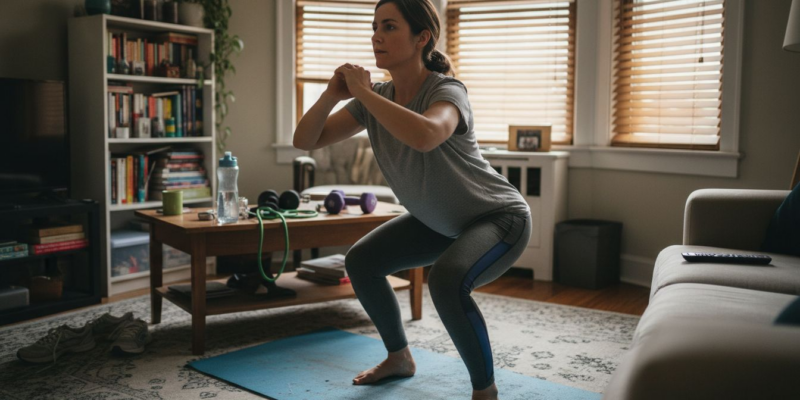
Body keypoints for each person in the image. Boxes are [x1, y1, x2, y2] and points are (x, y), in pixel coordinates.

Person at [293, 1, 531, 399]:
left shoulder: (446, 90)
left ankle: (485, 391)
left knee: (447, 281)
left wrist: (363, 93)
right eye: (374, 27)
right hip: (442, 221)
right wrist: (332, 95)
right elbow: (305, 140)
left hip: (498, 217)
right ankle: (399, 357)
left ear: (422, 38)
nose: (376, 36)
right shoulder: (374, 99)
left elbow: (425, 135)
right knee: (362, 261)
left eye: (389, 26)